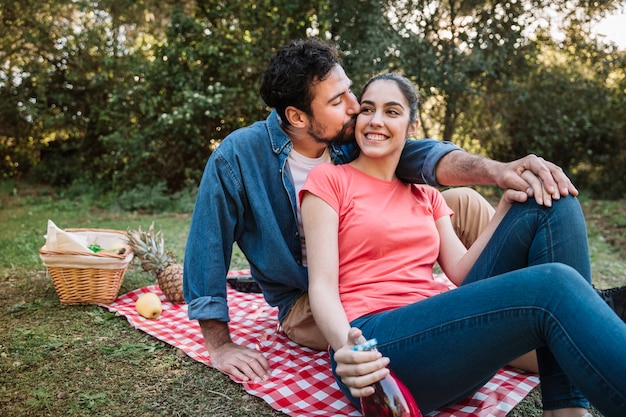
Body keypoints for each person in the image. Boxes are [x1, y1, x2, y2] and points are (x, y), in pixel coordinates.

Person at [182, 38, 617, 385]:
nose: (355, 106)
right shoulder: (239, 157)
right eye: (339, 100)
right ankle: (575, 311)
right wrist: (219, 344)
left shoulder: (349, 135)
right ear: (297, 116)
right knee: (539, 345)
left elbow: (423, 156)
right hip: (310, 297)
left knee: (464, 201)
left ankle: (566, 306)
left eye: (352, 91)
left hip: (372, 257)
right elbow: (208, 246)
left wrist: (497, 172)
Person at [300, 73, 626, 417]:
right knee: (553, 285)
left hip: (446, 348)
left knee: (554, 200)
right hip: (374, 351)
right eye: (367, 109)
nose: (376, 121)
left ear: (412, 126)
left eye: (392, 111)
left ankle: (565, 409)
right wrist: (344, 349)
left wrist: (504, 208)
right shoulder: (330, 179)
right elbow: (321, 286)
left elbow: (461, 272)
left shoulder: (426, 195)